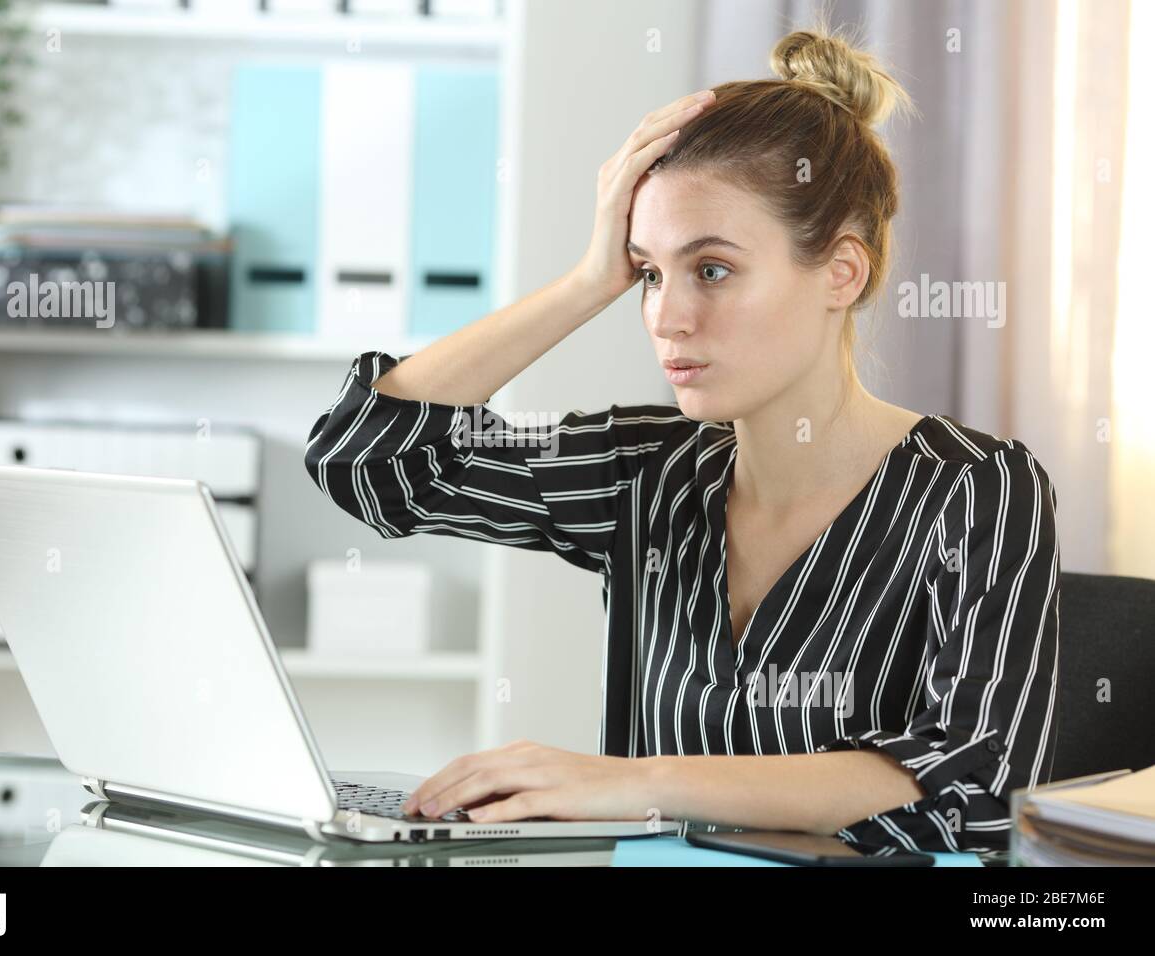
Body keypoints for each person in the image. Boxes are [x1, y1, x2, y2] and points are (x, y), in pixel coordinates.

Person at [304, 24, 1060, 854]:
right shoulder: (646, 470)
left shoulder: (978, 489)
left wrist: (638, 782)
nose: (666, 316)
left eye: (712, 270)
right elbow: (370, 462)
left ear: (843, 271)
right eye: (650, 274)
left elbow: (974, 787)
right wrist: (590, 280)